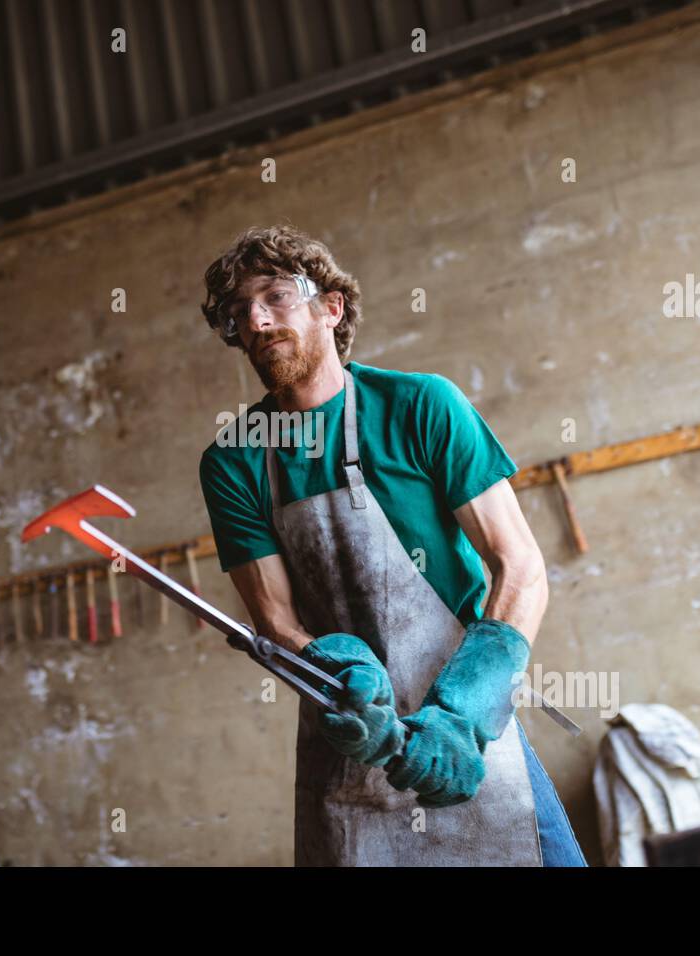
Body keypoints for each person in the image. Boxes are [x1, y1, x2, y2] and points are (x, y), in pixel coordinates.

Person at [197, 224, 587, 866]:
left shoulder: (422, 406)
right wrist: (333, 667)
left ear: (331, 306)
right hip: (348, 735)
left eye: (273, 297)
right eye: (240, 313)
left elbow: (517, 567)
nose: (257, 322)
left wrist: (463, 715)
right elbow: (275, 622)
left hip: (469, 734)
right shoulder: (232, 462)